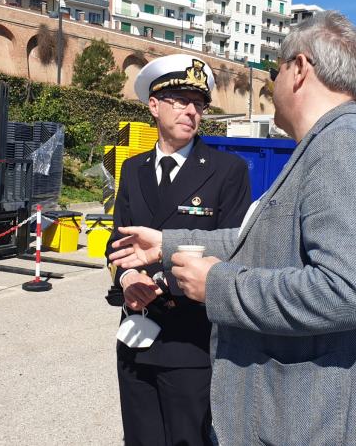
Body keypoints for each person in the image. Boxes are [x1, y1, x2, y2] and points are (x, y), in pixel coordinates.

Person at [110, 11, 356, 445]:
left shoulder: (346, 149)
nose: (272, 85)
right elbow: (254, 238)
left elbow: (349, 292)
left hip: (320, 421)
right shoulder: (329, 145)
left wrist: (217, 286)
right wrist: (167, 243)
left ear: (300, 70)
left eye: (276, 70)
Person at [104, 54, 252, 446]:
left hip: (192, 339)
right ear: (153, 105)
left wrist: (162, 278)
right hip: (136, 332)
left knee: (188, 439)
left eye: (199, 104)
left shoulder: (226, 170)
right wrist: (129, 276)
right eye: (181, 100)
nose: (192, 111)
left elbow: (234, 249)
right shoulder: (132, 168)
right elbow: (116, 243)